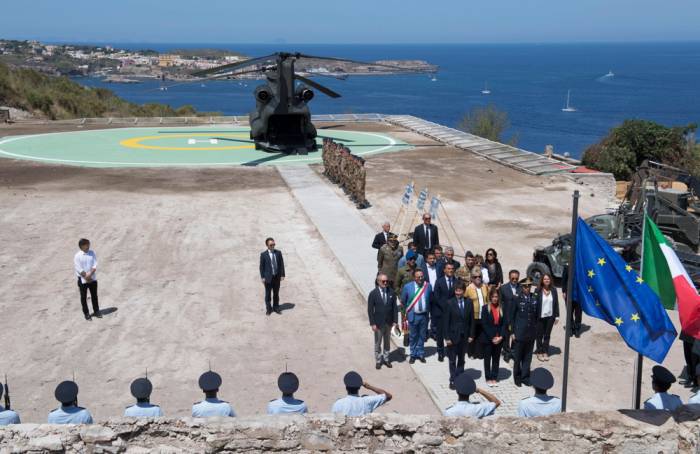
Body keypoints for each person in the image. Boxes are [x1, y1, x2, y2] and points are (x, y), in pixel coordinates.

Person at [509, 277, 539, 387]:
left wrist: (536, 330)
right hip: (519, 333)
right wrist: (512, 332)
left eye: (529, 286)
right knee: (518, 357)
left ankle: (525, 377)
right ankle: (517, 377)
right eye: (525, 286)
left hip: (531, 333)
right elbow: (511, 316)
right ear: (522, 287)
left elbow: (537, 316)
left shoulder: (534, 298)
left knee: (528, 357)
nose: (527, 288)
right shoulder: (517, 299)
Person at [443, 280, 474, 389]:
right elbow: (445, 322)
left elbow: (472, 321)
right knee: (452, 360)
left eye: (460, 291)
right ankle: (452, 380)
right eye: (457, 291)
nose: (458, 293)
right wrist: (446, 338)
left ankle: (460, 378)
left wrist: (471, 335)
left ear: (464, 291)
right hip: (452, 337)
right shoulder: (449, 303)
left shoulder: (469, 302)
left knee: (461, 359)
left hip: (464, 337)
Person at [400, 269, 432, 364]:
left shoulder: (428, 286)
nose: (420, 278)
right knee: (413, 336)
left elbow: (430, 300)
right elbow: (403, 301)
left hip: (424, 316)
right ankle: (413, 354)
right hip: (413, 316)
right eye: (418, 277)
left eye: (422, 276)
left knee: (422, 336)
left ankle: (421, 353)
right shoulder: (407, 287)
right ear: (414, 277)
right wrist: (404, 316)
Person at [368, 272, 398, 369]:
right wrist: (372, 323)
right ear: (378, 281)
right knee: (378, 342)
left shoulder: (391, 292)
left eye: (387, 281)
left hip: (388, 323)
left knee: (387, 342)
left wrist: (395, 321)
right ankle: (378, 360)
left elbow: (395, 308)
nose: (385, 283)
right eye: (383, 281)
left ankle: (386, 359)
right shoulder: (373, 294)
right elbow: (370, 310)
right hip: (378, 323)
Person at [479, 289, 506, 385]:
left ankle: (494, 376)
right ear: (490, 297)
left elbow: (504, 324)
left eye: (496, 297)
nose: (495, 299)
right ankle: (488, 377)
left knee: (496, 358)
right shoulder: (485, 308)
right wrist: (492, 337)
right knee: (487, 359)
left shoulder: (502, 308)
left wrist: (501, 337)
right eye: (493, 297)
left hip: (499, 338)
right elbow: (484, 324)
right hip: (488, 338)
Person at [432, 263, 457, 361]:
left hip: (453, 313)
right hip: (441, 312)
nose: (450, 270)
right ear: (444, 270)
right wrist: (446, 307)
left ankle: (451, 351)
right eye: (448, 268)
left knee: (452, 333)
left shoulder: (456, 281)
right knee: (440, 334)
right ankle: (440, 352)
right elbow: (437, 297)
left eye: (452, 268)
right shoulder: (439, 282)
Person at [534, 273, 560, 362]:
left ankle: (545, 351)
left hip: (550, 317)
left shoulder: (554, 290)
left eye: (548, 279)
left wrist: (557, 316)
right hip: (540, 317)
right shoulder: (537, 290)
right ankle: (539, 351)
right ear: (542, 280)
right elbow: (534, 304)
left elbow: (556, 303)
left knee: (547, 335)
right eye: (545, 279)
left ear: (550, 280)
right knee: (539, 335)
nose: (546, 280)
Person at [74, 238, 101, 321]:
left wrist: (90, 274)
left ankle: (96, 311)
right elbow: (78, 268)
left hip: (92, 277)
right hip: (82, 279)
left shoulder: (92, 253)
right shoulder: (77, 256)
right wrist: (86, 276)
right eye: (87, 244)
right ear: (82, 246)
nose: (88, 246)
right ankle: (86, 314)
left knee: (94, 295)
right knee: (83, 297)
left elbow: (95, 264)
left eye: (88, 244)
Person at [499, 270, 522, 362]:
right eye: (512, 278)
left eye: (516, 278)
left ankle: (513, 351)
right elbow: (500, 303)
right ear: (509, 278)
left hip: (517, 317)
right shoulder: (503, 288)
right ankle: (506, 352)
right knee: (506, 336)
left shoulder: (521, 288)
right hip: (506, 316)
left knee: (515, 335)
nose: (514, 280)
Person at [465, 268, 488, 359]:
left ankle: (480, 352)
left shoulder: (484, 286)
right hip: (473, 316)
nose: (478, 278)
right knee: (472, 335)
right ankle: (471, 353)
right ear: (472, 278)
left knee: (481, 335)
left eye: (479, 276)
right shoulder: (468, 288)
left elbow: (488, 299)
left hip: (483, 316)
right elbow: (465, 300)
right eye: (475, 277)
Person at [259, 237, 285, 316]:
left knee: (276, 294)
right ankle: (269, 309)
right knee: (268, 294)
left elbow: (281, 264)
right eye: (271, 245)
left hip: (276, 277)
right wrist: (262, 277)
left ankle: (276, 307)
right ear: (267, 245)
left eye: (274, 244)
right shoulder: (263, 255)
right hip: (268, 278)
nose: (273, 246)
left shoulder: (278, 253)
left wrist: (282, 274)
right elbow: (261, 267)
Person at [561, 265, 583, 338]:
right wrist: (563, 291)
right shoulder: (567, 267)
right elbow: (564, 280)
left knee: (578, 313)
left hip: (579, 295)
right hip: (569, 294)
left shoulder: (581, 265)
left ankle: (577, 329)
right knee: (569, 313)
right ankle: (571, 329)